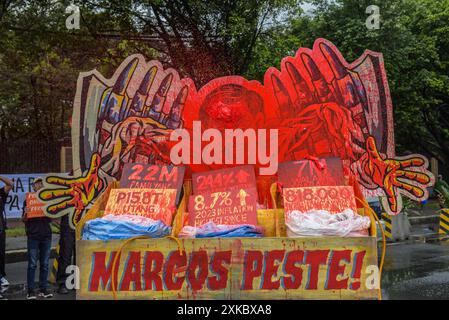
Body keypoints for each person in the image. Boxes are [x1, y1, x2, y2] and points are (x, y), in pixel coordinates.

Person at [22, 178, 53, 299]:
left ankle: (43, 289)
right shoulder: (28, 201)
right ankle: (30, 291)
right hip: (33, 236)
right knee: (32, 264)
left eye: (41, 183)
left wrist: (50, 212)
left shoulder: (48, 201)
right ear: (33, 187)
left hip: (46, 236)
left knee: (45, 264)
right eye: (37, 184)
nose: (39, 185)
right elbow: (23, 220)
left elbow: (52, 218)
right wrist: (25, 214)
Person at [0, 175, 13, 299]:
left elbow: (11, 184)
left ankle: (1, 276)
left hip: (0, 228)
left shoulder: (1, 193)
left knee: (1, 254)